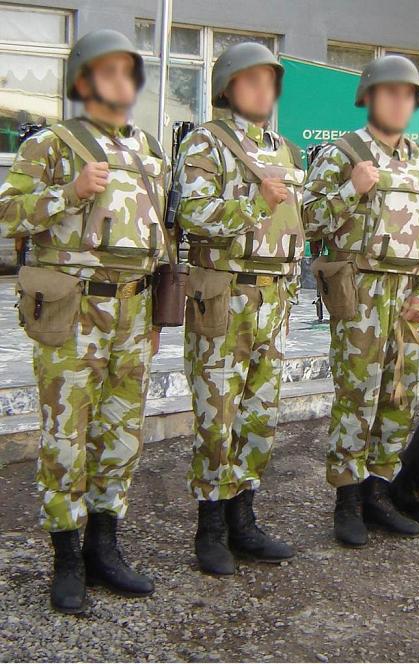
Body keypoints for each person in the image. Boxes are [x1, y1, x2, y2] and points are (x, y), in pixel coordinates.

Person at [0, 29, 168, 613]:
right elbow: (7, 213)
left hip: (132, 308)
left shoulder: (148, 149)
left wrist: (158, 315)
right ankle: (66, 557)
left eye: (129, 71)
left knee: (121, 434)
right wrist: (69, 191)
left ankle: (106, 546)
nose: (122, 81)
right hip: (73, 309)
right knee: (66, 437)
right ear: (84, 80)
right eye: (108, 70)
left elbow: (161, 239)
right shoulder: (50, 144)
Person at [303, 55, 419, 547]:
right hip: (361, 294)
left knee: (398, 397)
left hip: (408, 298)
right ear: (368, 97)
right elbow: (306, 222)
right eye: (388, 91)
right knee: (356, 396)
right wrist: (352, 188)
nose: (398, 101)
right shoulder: (342, 153)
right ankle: (346, 501)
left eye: (407, 93)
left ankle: (378, 492)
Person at [175, 42, 303, 575]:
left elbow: (297, 223)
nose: (262, 90)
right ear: (227, 87)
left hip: (273, 300)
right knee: (216, 415)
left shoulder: (285, 149)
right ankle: (209, 526)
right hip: (224, 298)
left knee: (260, 416)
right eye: (250, 81)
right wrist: (257, 203)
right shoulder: (206, 142)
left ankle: (243, 519)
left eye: (269, 81)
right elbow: (193, 213)